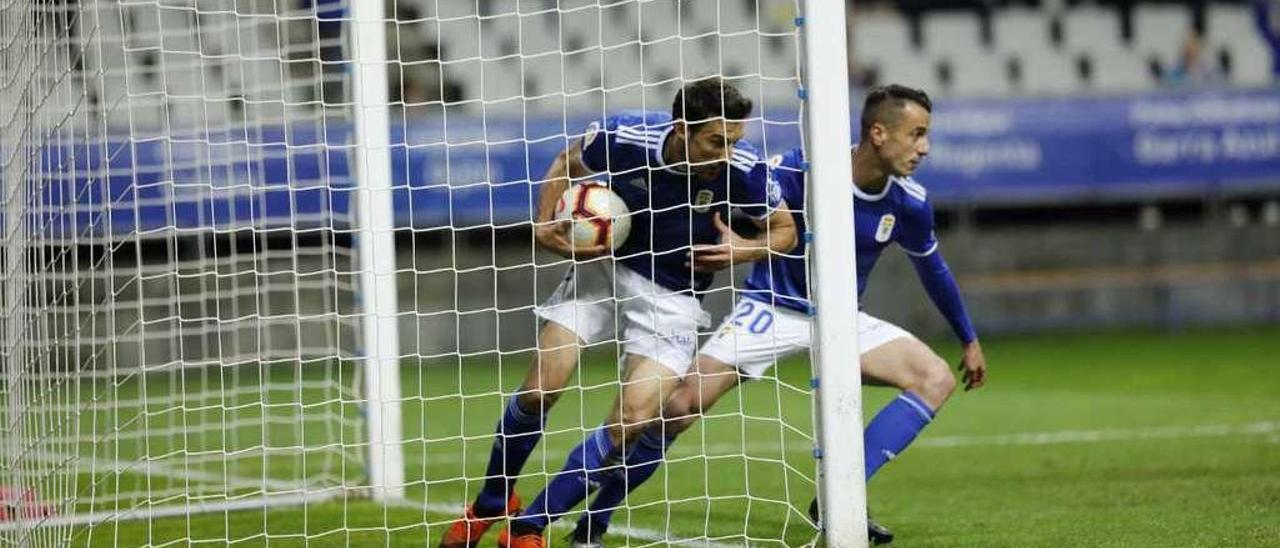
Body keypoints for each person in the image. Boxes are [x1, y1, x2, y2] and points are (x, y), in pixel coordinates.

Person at [565, 84, 989, 547]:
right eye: (917, 134)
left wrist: (968, 338)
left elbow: (934, 269)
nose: (924, 148)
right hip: (769, 308)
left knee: (935, 378)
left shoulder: (910, 201)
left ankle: (838, 495)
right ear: (879, 133)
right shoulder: (797, 171)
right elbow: (727, 200)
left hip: (842, 319)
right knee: (676, 409)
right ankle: (594, 521)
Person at [437, 77, 797, 548]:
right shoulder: (624, 137)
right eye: (715, 141)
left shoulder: (743, 171)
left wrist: (744, 251)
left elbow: (784, 230)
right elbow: (568, 160)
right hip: (605, 268)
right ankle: (491, 501)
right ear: (682, 128)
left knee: (632, 419)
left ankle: (529, 528)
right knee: (540, 389)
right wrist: (545, 226)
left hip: (674, 296)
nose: (726, 152)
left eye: (733, 141)